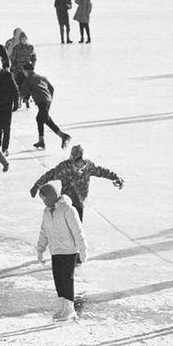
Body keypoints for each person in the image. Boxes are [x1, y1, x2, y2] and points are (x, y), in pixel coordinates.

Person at [34, 182, 87, 321]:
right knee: (58, 279)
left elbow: (78, 231)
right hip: (55, 251)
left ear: (52, 197)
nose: (44, 202)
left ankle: (70, 309)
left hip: (69, 251)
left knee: (66, 279)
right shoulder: (46, 212)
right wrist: (40, 249)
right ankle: (62, 306)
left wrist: (83, 250)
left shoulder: (67, 210)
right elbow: (44, 232)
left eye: (45, 199)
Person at [31, 145, 123, 220]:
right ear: (74, 161)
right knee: (68, 229)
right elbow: (49, 175)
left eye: (84, 160)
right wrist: (36, 186)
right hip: (67, 204)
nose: (83, 163)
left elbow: (101, 171)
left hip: (79, 202)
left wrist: (114, 177)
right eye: (80, 161)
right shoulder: (65, 168)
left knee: (77, 229)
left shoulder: (88, 166)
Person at [21, 67, 68, 150]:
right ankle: (41, 141)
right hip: (47, 100)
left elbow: (23, 93)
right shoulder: (42, 77)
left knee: (44, 119)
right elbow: (52, 88)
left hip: (42, 101)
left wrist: (18, 98)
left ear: (25, 71)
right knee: (41, 118)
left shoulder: (28, 79)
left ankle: (64, 136)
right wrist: (50, 99)